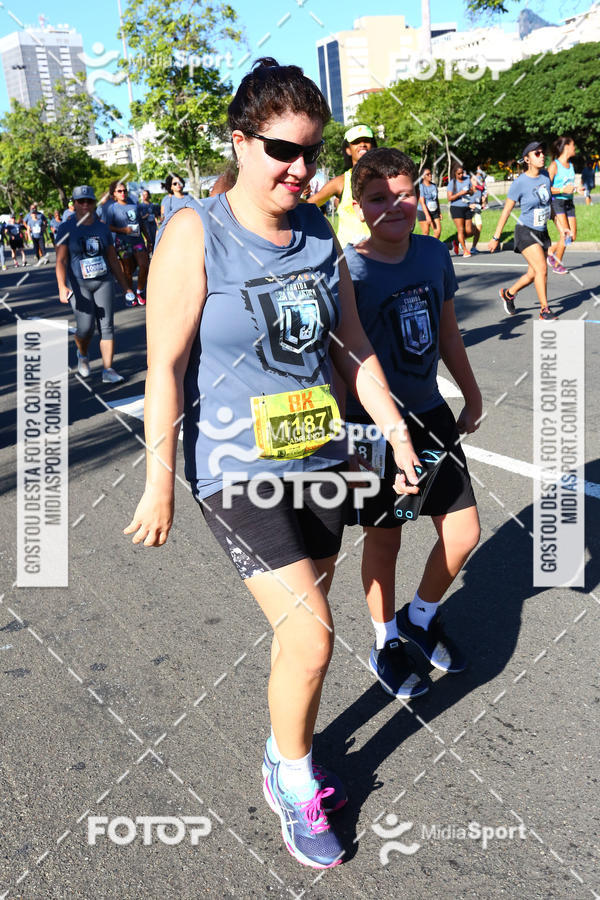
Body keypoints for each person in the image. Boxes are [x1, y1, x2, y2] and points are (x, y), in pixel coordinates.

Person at [124, 57, 423, 870]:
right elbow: (166, 364)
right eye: (283, 151)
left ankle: (283, 741)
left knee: (303, 636)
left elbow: (351, 343)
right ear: (240, 141)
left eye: (313, 153)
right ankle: (293, 775)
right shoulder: (196, 229)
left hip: (321, 453)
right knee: (316, 637)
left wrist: (392, 428)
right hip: (235, 467)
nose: (302, 169)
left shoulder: (321, 231)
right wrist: (160, 484)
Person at [344, 147, 481, 698]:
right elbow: (340, 360)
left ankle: (419, 619)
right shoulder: (348, 270)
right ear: (359, 205)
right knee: (387, 539)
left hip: (431, 414)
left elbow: (448, 334)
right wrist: (347, 438)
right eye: (379, 198)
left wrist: (470, 395)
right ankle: (384, 642)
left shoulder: (431, 254)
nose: (394, 206)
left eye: (404, 194)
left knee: (464, 531)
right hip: (375, 428)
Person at [55, 185, 135, 383]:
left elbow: (113, 259)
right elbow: (61, 261)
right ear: (73, 204)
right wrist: (61, 287)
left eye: (88, 201)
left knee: (107, 327)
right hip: (78, 284)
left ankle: (108, 369)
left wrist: (126, 287)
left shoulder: (101, 227)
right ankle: (82, 353)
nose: (84, 205)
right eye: (80, 201)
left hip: (103, 281)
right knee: (85, 328)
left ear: (93, 204)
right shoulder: (66, 228)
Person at [488, 140, 557, 321]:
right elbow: (507, 210)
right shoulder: (520, 182)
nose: (542, 156)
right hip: (525, 231)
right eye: (537, 153)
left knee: (533, 273)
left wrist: (561, 226)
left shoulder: (545, 177)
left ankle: (509, 293)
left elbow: (549, 204)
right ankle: (544, 310)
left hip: (542, 231)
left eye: (543, 152)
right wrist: (496, 237)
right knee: (542, 268)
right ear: (527, 159)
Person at [307, 124, 376, 247]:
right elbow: (308, 206)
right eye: (356, 142)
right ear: (348, 150)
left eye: (366, 140)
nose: (362, 144)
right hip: (348, 257)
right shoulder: (340, 182)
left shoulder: (386, 179)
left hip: (381, 253)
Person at [105, 182, 149, 306]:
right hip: (123, 242)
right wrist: (123, 230)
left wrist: (149, 239)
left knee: (144, 265)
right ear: (114, 194)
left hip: (137, 240)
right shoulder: (112, 208)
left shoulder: (133, 205)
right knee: (128, 271)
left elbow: (141, 223)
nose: (123, 193)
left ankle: (140, 291)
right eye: (119, 191)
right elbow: (107, 226)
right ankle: (130, 295)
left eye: (124, 191)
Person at [547, 136, 579, 275]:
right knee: (565, 235)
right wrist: (561, 190)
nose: (574, 148)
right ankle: (557, 263)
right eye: (573, 145)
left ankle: (550, 252)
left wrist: (578, 189)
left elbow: (569, 186)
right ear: (566, 147)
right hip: (557, 202)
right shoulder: (554, 165)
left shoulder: (571, 165)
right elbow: (545, 188)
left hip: (569, 202)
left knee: (572, 236)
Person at [446, 162, 476, 257]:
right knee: (460, 229)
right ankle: (465, 250)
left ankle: (457, 241)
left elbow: (472, 192)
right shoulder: (452, 183)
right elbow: (449, 198)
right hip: (456, 208)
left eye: (462, 173)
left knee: (469, 231)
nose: (461, 175)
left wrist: (470, 191)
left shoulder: (467, 179)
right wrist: (460, 193)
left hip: (467, 207)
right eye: (459, 173)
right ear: (455, 173)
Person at [416, 167, 442, 239]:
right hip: (423, 212)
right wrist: (427, 216)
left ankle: (432, 247)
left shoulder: (434, 186)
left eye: (430, 173)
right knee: (426, 232)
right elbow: (422, 203)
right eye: (427, 174)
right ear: (423, 176)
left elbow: (436, 199)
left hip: (434, 211)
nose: (430, 175)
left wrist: (439, 212)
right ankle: (424, 249)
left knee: (438, 231)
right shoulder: (421, 187)